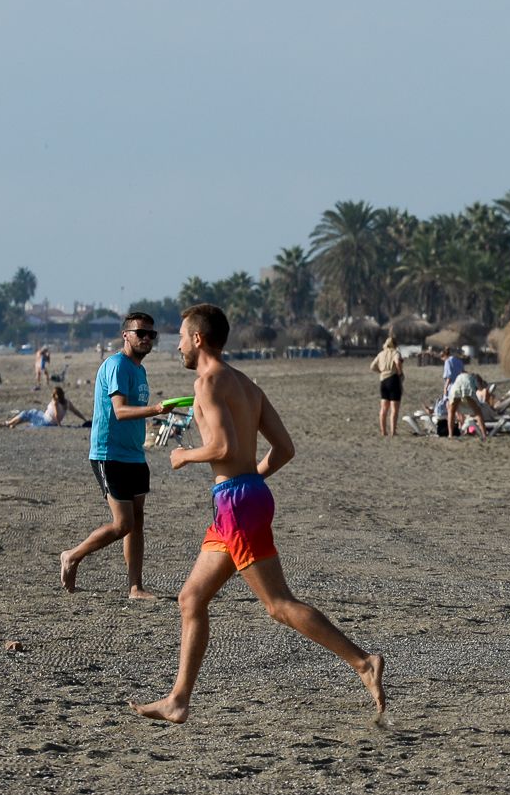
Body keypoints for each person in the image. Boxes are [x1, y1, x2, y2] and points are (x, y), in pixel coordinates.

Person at [130, 304, 385, 724]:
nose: (174, 344)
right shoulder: (247, 385)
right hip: (242, 499)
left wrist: (183, 456)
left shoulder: (208, 383)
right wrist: (252, 480)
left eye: (179, 335)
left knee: (278, 604)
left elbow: (224, 449)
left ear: (198, 338)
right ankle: (178, 700)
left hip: (236, 502)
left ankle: (363, 663)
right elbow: (284, 449)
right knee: (191, 598)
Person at [59, 313, 172, 600]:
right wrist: (156, 410)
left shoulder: (139, 370)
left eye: (151, 334)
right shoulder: (117, 365)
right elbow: (120, 411)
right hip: (109, 453)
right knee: (123, 524)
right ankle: (72, 555)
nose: (146, 338)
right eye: (140, 333)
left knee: (137, 520)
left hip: (134, 454)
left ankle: (136, 587)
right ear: (125, 335)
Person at [1, 386, 87, 428]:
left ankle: (8, 423)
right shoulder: (67, 402)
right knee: (29, 415)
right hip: (47, 418)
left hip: (46, 420)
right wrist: (84, 419)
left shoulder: (56, 402)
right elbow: (76, 412)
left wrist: (59, 425)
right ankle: (12, 424)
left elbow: (57, 414)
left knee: (27, 414)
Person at [369, 336, 404, 437]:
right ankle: (393, 431)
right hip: (393, 379)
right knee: (394, 408)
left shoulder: (381, 354)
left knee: (383, 408)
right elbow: (397, 362)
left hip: (383, 380)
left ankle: (383, 431)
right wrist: (400, 372)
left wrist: (380, 371)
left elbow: (372, 366)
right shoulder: (395, 353)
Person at [446, 371, 488, 439]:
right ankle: (484, 435)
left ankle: (450, 435)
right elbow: (480, 388)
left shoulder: (460, 375)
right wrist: (483, 386)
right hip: (467, 388)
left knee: (451, 412)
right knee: (478, 413)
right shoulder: (475, 376)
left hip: (455, 388)